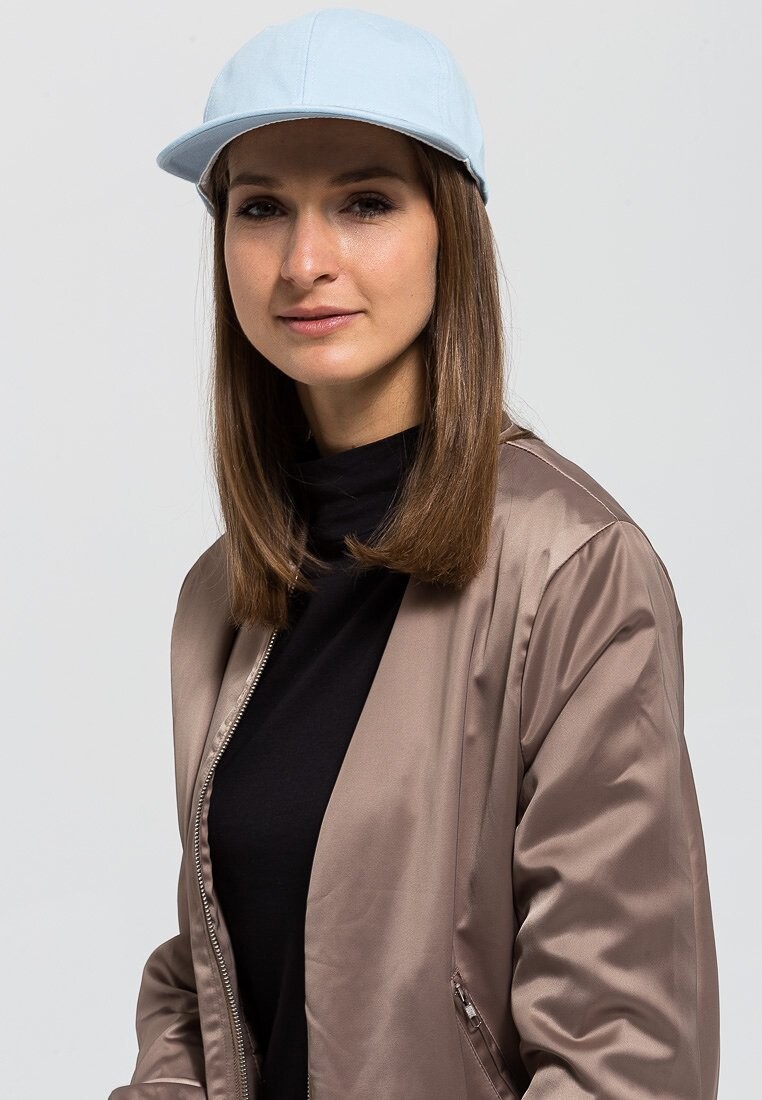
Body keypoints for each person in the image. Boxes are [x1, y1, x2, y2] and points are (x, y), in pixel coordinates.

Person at [108, 9, 720, 1100]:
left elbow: (624, 1050)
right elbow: (209, 981)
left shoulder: (575, 571)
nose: (305, 262)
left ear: (451, 229)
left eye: (365, 202)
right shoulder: (223, 594)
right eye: (262, 208)